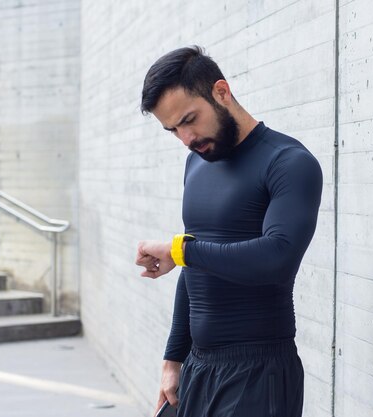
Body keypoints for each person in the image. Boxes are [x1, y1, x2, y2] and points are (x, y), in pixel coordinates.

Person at [135, 45, 323, 417]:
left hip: (259, 373)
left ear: (221, 92)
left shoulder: (288, 163)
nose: (186, 138)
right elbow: (195, 265)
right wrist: (173, 359)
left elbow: (278, 257)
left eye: (190, 119)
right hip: (199, 368)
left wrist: (181, 251)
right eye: (173, 130)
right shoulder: (196, 164)